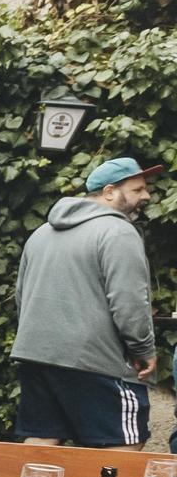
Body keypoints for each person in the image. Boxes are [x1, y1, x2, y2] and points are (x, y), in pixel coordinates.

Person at [12, 157, 161, 449]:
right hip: (95, 360)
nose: (146, 196)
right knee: (124, 444)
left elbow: (22, 296)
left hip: (36, 354)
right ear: (109, 192)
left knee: (42, 438)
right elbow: (129, 301)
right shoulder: (118, 231)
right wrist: (143, 349)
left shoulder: (41, 233)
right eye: (138, 189)